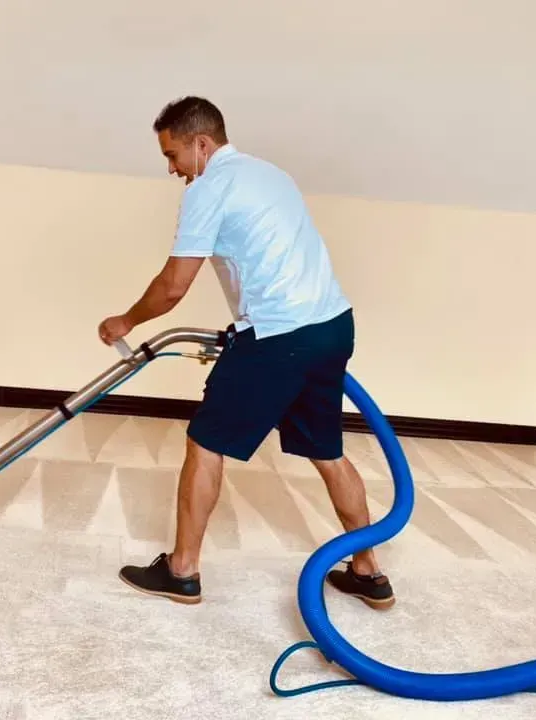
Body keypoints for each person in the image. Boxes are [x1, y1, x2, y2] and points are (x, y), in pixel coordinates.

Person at [97, 96, 395, 610]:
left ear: (202, 144)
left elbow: (173, 286)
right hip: (331, 326)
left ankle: (183, 570)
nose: (171, 168)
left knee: (204, 443)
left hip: (279, 336)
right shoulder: (271, 174)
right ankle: (368, 571)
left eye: (173, 155)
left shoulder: (208, 188)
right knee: (327, 451)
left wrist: (125, 321)